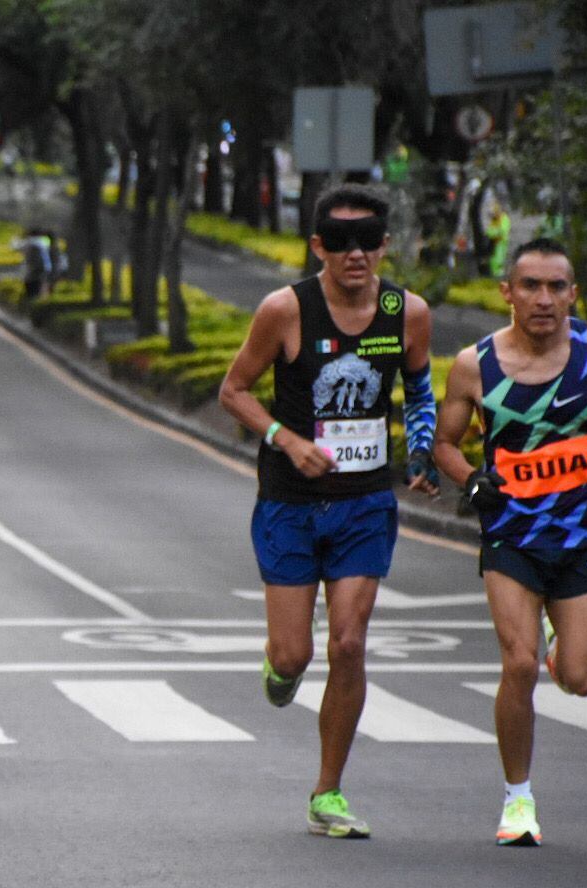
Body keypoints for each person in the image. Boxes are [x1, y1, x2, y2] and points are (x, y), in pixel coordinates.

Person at [218, 183, 437, 839]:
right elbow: (233, 391)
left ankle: (327, 793)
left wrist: (420, 454)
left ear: (384, 245)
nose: (354, 254)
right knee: (294, 655)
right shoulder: (284, 311)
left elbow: (420, 391)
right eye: (338, 241)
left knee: (348, 641)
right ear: (317, 246)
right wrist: (284, 439)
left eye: (367, 240)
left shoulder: (407, 312)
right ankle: (278, 666)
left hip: (363, 503)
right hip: (288, 501)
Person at [433, 238, 587, 847]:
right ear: (507, 292)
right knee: (518, 663)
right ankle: (518, 801)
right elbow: (445, 442)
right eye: (530, 285)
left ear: (573, 293)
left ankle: (561, 643)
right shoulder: (475, 364)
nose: (544, 298)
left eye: (557, 286)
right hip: (512, 535)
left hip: (583, 533)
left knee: (581, 680)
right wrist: (471, 481)